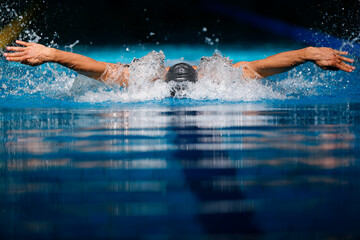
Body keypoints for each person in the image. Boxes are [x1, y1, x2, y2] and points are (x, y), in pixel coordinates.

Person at [3, 40, 356, 90]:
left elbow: (95, 67)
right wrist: (307, 53)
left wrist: (308, 52)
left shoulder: (220, 80)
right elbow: (266, 66)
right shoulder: (222, 84)